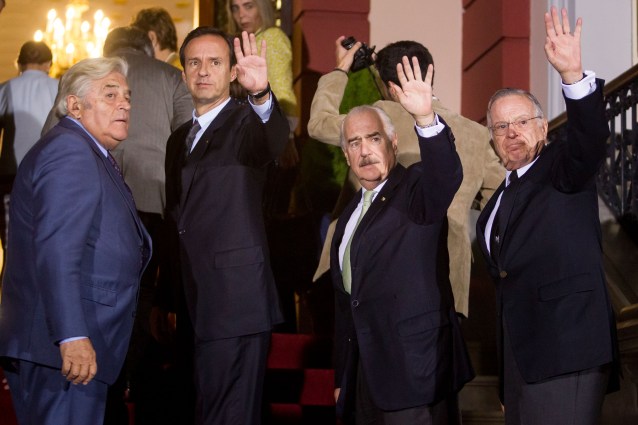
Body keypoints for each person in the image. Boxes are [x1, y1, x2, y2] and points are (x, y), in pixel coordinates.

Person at [476, 7, 619, 424]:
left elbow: (589, 140)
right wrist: (507, 379)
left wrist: (572, 76)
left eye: (522, 121)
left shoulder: (561, 169)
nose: (512, 132)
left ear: (542, 128)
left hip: (567, 350)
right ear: (492, 140)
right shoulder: (493, 209)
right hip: (522, 365)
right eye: (501, 127)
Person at [0, 57, 152, 425]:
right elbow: (58, 252)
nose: (125, 104)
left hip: (68, 348)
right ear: (74, 105)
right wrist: (71, 335)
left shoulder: (88, 152)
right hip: (63, 351)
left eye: (127, 96)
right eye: (110, 94)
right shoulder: (70, 151)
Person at [309, 38, 504, 319]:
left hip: (374, 268)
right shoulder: (476, 133)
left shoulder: (380, 115)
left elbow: (318, 124)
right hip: (446, 275)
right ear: (430, 73)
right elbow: (498, 204)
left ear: (388, 85)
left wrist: (341, 68)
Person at [332, 56, 473, 424]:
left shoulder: (414, 188)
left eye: (374, 138)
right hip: (365, 376)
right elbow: (347, 301)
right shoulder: (347, 217)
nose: (365, 151)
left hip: (416, 370)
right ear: (346, 154)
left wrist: (426, 119)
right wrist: (342, 374)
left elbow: (445, 176)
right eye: (354, 143)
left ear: (393, 142)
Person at [161, 28, 288, 424]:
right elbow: (176, 220)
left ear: (232, 72)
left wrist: (262, 94)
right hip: (192, 302)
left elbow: (275, 140)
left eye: (215, 62)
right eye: (194, 63)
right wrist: (168, 296)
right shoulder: (178, 138)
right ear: (183, 75)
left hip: (236, 300)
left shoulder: (247, 122)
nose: (203, 71)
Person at [99, 26, 193, 425]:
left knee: (104, 291)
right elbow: (189, 134)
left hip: (102, 197)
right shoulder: (169, 75)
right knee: (145, 292)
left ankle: (107, 379)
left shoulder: (93, 76)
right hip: (154, 199)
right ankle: (136, 375)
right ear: (148, 48)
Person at [228, 0, 301, 332]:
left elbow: (284, 94)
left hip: (272, 153)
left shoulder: (271, 37)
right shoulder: (251, 40)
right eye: (235, 7)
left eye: (248, 5)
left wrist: (284, 140)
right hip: (257, 152)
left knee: (268, 243)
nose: (241, 14)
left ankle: (277, 326)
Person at [0, 41, 58, 261]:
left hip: (10, 177)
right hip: (50, 177)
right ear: (49, 63)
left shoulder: (5, 88)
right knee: (46, 244)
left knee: (12, 246)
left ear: (19, 63)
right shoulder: (59, 88)